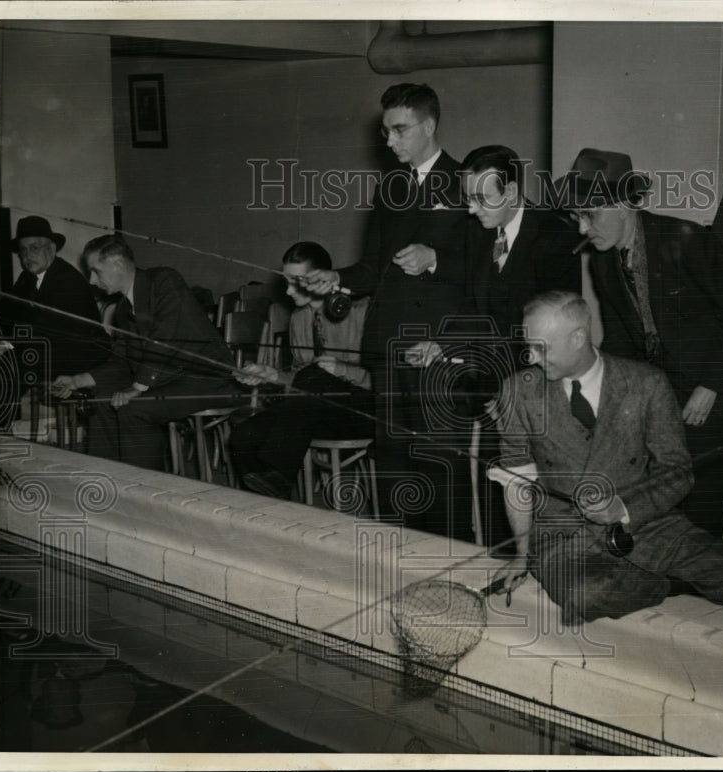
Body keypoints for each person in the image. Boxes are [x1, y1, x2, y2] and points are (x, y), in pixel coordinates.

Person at [490, 290, 723, 625]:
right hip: (562, 533)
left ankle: (666, 578)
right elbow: (517, 479)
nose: (531, 357)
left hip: (647, 524)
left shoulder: (647, 383)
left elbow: (677, 472)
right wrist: (521, 553)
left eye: (541, 348)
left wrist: (623, 507)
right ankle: (675, 584)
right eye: (527, 347)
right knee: (584, 595)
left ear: (578, 338)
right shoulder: (518, 390)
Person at [555, 148, 723, 540]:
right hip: (668, 401)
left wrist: (711, 385)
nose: (583, 230)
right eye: (577, 217)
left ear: (622, 205)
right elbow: (620, 339)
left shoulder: (686, 239)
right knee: (662, 517)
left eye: (590, 215)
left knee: (702, 518)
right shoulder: (602, 261)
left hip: (718, 400)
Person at [303, 83, 473, 541]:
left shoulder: (466, 182)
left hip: (437, 347)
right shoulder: (390, 188)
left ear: (429, 125)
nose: (390, 141)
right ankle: (405, 559)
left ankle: (451, 560)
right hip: (390, 345)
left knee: (439, 461)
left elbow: (486, 268)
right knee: (395, 459)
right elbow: (373, 268)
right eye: (386, 132)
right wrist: (335, 279)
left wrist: (435, 259)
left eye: (400, 130)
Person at [404, 144, 582, 549]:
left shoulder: (555, 233)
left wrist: (510, 386)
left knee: (524, 480)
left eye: (482, 198)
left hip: (540, 381)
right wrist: (442, 345)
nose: (471, 209)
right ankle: (482, 555)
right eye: (468, 198)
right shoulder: (480, 231)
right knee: (483, 470)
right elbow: (475, 308)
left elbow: (554, 331)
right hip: (495, 376)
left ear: (514, 192)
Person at [50, 234, 238, 471]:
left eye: (96, 271)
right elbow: (121, 360)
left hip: (209, 380)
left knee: (134, 409)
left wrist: (136, 388)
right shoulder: (123, 309)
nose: (92, 280)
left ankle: (147, 488)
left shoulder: (164, 281)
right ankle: (107, 476)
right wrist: (78, 380)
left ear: (117, 263)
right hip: (169, 380)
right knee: (102, 397)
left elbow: (163, 340)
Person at [229, 241, 375, 501]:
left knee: (312, 378)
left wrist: (343, 370)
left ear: (321, 279)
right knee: (244, 435)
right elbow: (300, 382)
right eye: (287, 281)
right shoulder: (299, 319)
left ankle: (278, 475)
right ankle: (273, 505)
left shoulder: (362, 311)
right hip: (311, 411)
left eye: (296, 282)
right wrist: (271, 374)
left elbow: (386, 379)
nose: (287, 291)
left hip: (363, 411)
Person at [0, 216, 110, 428]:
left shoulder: (67, 280)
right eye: (23, 250)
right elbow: (5, 315)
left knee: (2, 371)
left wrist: (9, 345)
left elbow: (48, 330)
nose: (28, 255)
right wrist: (1, 342)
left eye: (35, 247)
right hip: (45, 352)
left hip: (76, 357)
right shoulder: (27, 278)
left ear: (53, 248)